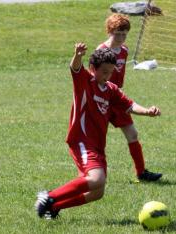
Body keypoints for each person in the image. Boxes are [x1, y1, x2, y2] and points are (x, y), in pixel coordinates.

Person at [35, 43, 161, 219]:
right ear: (93, 69)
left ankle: (55, 206)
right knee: (96, 179)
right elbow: (75, 68)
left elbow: (129, 105)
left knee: (97, 192)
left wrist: (146, 111)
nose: (107, 76)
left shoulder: (111, 89)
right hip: (81, 140)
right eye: (104, 72)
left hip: (97, 146)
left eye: (110, 72)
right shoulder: (86, 81)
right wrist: (78, 55)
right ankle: (49, 197)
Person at [96, 13, 162, 182]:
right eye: (118, 33)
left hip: (117, 99)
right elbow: (93, 78)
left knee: (132, 134)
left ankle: (141, 172)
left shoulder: (124, 51)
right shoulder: (101, 51)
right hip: (100, 99)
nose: (121, 37)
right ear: (109, 31)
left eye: (124, 34)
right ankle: (92, 173)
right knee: (96, 138)